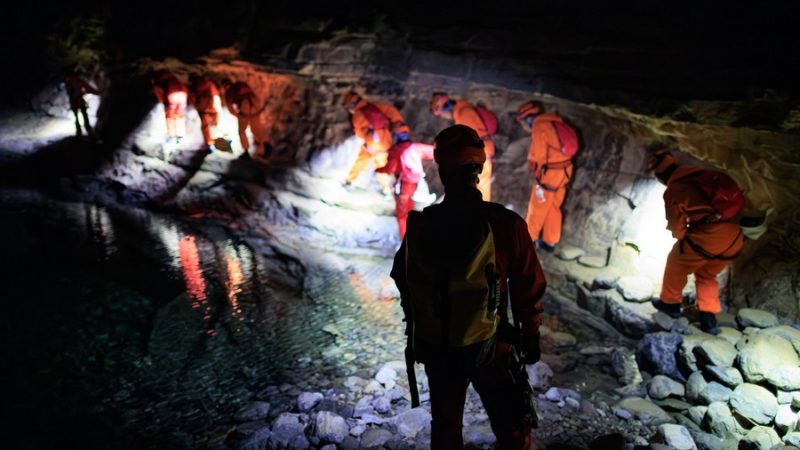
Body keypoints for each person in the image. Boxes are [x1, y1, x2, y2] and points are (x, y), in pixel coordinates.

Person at [391, 124, 546, 450]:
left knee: (446, 428)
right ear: (480, 169)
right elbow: (528, 286)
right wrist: (530, 334)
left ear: (442, 170)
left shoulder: (422, 224)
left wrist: (423, 322)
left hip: (437, 347)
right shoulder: (505, 224)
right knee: (512, 425)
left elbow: (401, 277)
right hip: (491, 346)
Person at [648, 150, 745, 334]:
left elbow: (677, 227)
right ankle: (708, 318)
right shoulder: (701, 175)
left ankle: (670, 304)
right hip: (735, 236)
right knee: (706, 274)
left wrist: (682, 238)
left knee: (676, 262)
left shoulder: (674, 189)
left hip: (709, 237)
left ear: (661, 176)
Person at [515, 101, 576, 252]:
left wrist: (535, 172)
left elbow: (537, 155)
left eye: (523, 123)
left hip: (550, 175)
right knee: (554, 206)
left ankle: (527, 243)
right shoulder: (556, 121)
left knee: (537, 208)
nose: (524, 127)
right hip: (566, 172)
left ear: (528, 119)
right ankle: (550, 242)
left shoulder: (540, 127)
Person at [430, 93, 496, 201]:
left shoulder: (463, 114)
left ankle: (481, 214)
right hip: (479, 154)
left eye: (442, 114)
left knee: (480, 187)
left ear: (446, 109)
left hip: (478, 156)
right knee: (478, 186)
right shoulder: (463, 111)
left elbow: (469, 140)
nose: (445, 117)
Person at [375, 123, 435, 238]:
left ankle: (405, 241)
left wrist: (379, 170)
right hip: (416, 183)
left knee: (403, 214)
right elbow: (434, 151)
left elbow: (390, 168)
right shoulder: (416, 147)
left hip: (404, 184)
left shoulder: (396, 150)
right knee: (412, 210)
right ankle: (414, 236)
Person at [342, 91, 406, 191]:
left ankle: (349, 181)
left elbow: (359, 134)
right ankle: (386, 189)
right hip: (385, 143)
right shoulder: (377, 106)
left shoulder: (357, 117)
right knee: (383, 166)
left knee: (361, 162)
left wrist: (367, 140)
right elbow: (393, 113)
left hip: (371, 145)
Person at [221, 78, 269, 159]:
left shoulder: (228, 92)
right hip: (255, 107)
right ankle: (266, 145)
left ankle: (246, 152)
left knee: (242, 131)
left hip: (244, 110)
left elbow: (231, 109)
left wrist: (238, 115)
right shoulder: (241, 84)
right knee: (256, 129)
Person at [151, 70, 189, 144]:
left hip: (172, 100)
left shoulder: (164, 82)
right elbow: (185, 90)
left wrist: (162, 101)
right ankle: (180, 136)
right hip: (182, 101)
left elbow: (160, 92)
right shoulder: (177, 81)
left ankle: (172, 136)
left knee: (170, 118)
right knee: (179, 118)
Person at [189, 74, 221, 153]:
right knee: (215, 124)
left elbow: (192, 98)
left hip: (203, 108)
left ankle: (209, 144)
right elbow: (216, 93)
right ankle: (220, 141)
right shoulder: (210, 83)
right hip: (214, 107)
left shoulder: (194, 86)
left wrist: (196, 106)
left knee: (205, 127)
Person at [64, 72, 100, 138]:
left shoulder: (67, 80)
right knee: (84, 116)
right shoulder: (77, 80)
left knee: (76, 116)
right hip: (79, 101)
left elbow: (70, 92)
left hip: (73, 102)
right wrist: (98, 93)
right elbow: (88, 88)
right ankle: (89, 131)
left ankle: (79, 132)